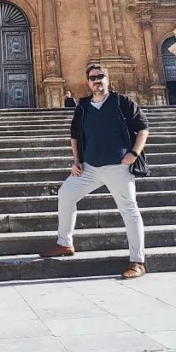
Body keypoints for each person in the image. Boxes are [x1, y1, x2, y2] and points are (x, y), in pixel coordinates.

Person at [40, 63, 149, 279]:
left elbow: (143, 127)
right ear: (88, 82)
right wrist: (77, 160)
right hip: (90, 167)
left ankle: (137, 261)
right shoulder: (83, 107)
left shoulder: (121, 102)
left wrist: (134, 153)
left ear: (108, 79)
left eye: (100, 77)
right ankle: (65, 243)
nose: (96, 80)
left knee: (129, 209)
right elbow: (75, 135)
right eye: (92, 78)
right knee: (66, 194)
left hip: (118, 166)